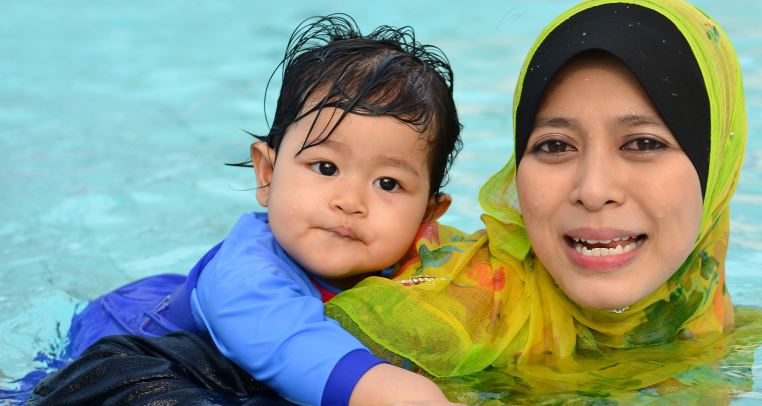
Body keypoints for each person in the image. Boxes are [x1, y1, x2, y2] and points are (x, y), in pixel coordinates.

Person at [29, 0, 762, 403]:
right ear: (267, 171)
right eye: (554, 145)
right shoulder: (274, 275)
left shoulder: (703, 319)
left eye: (644, 142)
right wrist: (378, 385)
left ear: (431, 217)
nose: (594, 188)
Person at [37, 14, 463, 406]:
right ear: (267, 174)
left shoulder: (435, 266)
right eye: (326, 167)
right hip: (125, 346)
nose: (350, 202)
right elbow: (310, 356)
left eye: (388, 183)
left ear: (429, 216)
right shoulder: (244, 281)